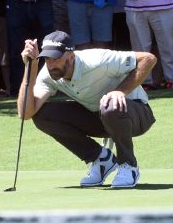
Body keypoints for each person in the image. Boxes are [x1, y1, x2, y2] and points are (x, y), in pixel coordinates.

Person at [17, 31, 156, 188]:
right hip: (100, 116)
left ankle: (128, 166)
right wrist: (31, 66)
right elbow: (26, 113)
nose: (51, 64)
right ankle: (100, 160)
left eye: (56, 59)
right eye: (47, 59)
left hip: (137, 114)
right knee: (42, 115)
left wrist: (120, 91)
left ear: (71, 57)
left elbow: (148, 59)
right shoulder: (48, 74)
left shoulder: (98, 60)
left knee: (110, 105)